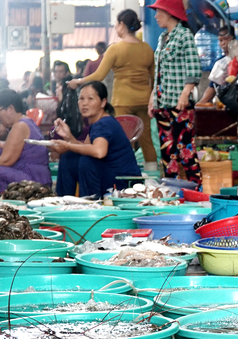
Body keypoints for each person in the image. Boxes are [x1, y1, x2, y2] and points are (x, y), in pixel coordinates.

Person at [68, 10, 157, 171]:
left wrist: (78, 81)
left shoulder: (115, 49)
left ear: (122, 25)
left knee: (121, 140)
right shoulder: (147, 49)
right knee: (146, 140)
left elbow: (99, 75)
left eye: (116, 24)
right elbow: (154, 77)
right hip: (144, 100)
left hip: (123, 100)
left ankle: (123, 172)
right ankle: (152, 180)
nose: (116, 28)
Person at [49, 81, 141, 198]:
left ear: (103, 102)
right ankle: (63, 201)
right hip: (111, 175)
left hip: (124, 182)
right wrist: (68, 136)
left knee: (86, 162)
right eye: (81, 99)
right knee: (69, 159)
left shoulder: (104, 123)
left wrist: (67, 146)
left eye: (90, 99)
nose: (84, 103)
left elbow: (99, 152)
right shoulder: (97, 123)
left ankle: (90, 205)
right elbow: (85, 148)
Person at [148, 0, 202, 184]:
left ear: (169, 13)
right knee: (167, 153)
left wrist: (185, 94)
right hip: (162, 104)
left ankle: (196, 191)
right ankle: (171, 191)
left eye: (158, 12)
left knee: (186, 151)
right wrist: (152, 100)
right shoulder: (162, 37)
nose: (155, 16)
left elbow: (194, 69)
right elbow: (158, 74)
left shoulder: (184, 35)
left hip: (179, 104)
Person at [197, 26, 235, 106]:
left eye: (226, 39)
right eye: (220, 40)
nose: (223, 43)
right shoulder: (221, 62)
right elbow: (212, 87)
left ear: (234, 38)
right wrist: (201, 103)